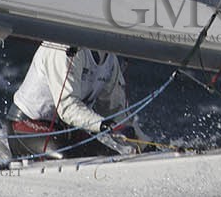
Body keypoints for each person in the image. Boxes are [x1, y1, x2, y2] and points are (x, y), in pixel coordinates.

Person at [7, 42, 137, 159]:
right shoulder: (63, 47)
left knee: (112, 159)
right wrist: (103, 125)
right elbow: (67, 107)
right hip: (27, 124)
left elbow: (116, 113)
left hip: (65, 129)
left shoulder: (110, 60)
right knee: (68, 160)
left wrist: (141, 144)